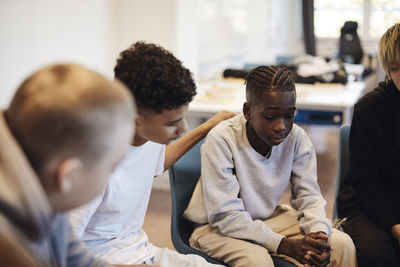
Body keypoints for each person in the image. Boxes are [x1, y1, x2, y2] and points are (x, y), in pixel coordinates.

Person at [69, 42, 234, 266]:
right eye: (173, 123)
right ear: (137, 119)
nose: (183, 128)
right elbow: (64, 250)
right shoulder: (92, 164)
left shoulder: (150, 137)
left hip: (140, 251)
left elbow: (155, 165)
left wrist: (208, 126)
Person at [184, 65, 357, 267]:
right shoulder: (222, 139)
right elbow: (224, 215)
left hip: (267, 218)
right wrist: (284, 244)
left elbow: (309, 196)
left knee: (340, 244)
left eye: (289, 116)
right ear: (248, 111)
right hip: (215, 227)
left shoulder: (297, 138)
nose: (281, 126)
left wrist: (318, 235)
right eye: (270, 117)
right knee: (257, 261)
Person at [0, 63, 141, 266]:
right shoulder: (9, 251)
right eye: (111, 166)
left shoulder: (47, 192)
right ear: (69, 176)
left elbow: (82, 263)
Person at [337, 22, 400, 267]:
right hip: (366, 203)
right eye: (395, 68)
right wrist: (395, 225)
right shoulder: (370, 108)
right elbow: (366, 182)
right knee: (378, 255)